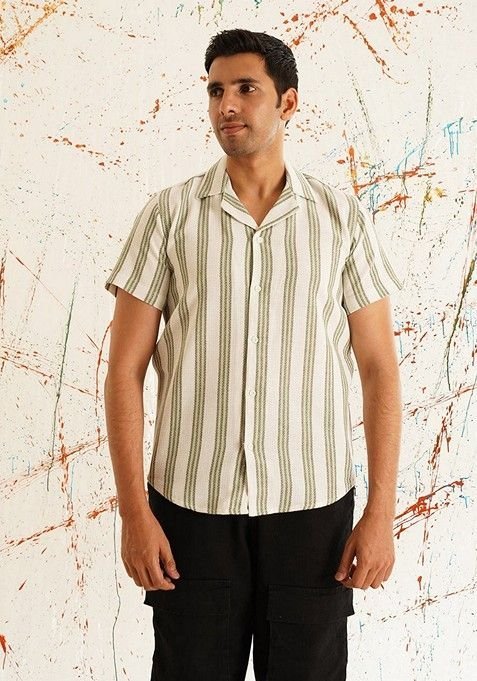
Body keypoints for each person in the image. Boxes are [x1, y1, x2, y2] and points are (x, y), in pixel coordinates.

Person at [103, 28, 403, 681]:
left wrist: (380, 511)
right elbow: (124, 369)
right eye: (216, 91)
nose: (227, 105)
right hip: (190, 510)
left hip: (312, 510)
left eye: (245, 89)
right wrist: (134, 513)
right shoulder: (169, 216)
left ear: (287, 102)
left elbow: (379, 367)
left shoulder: (340, 218)